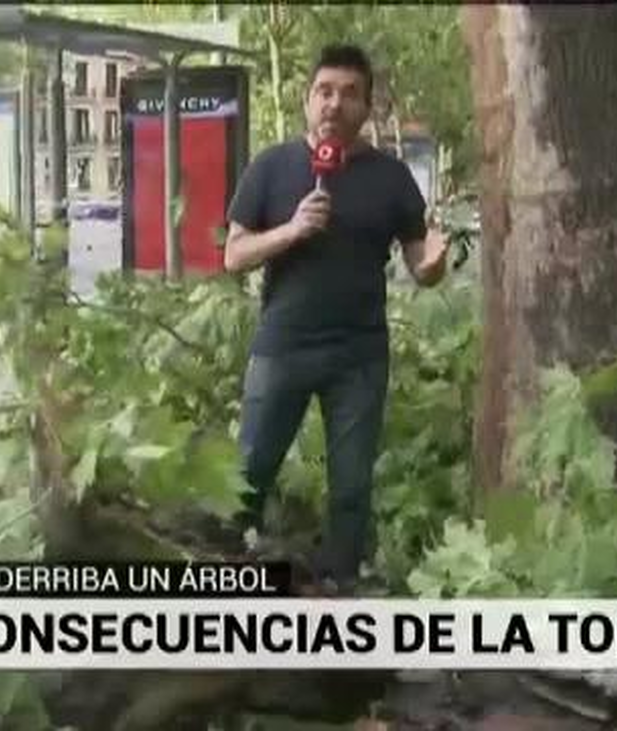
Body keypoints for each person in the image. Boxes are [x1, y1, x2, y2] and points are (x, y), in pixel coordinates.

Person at [223, 44, 450, 594]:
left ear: (366, 107)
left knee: (351, 488)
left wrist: (433, 264)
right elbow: (234, 255)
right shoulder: (272, 167)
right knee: (248, 475)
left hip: (359, 354)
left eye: (350, 94)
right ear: (308, 100)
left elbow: (420, 264)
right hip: (284, 347)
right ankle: (223, 573)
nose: (334, 103)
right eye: (324, 91)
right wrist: (292, 230)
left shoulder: (391, 177)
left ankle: (339, 588)